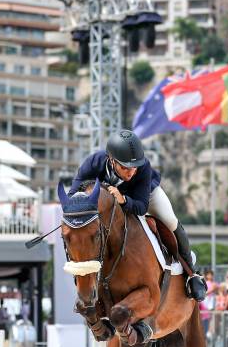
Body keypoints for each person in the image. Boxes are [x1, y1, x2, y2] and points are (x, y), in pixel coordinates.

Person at [70, 129, 205, 300]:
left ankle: (192, 275)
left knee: (170, 220)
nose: (131, 172)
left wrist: (124, 200)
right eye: (125, 167)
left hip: (145, 195)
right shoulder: (93, 163)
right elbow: (73, 194)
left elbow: (141, 207)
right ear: (111, 160)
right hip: (112, 204)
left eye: (134, 167)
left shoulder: (143, 168)